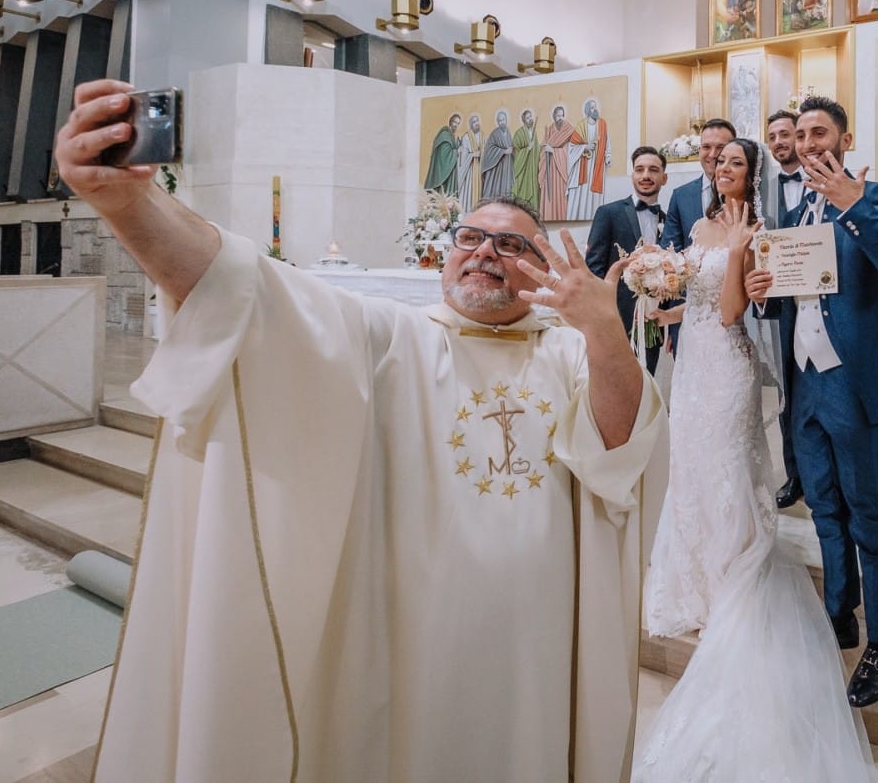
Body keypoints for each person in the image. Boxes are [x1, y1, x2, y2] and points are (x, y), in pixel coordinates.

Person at [57, 80, 663, 783]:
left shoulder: (568, 352)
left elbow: (620, 452)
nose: (483, 252)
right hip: (410, 638)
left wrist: (606, 333)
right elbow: (247, 292)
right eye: (470, 237)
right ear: (444, 256)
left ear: (543, 265)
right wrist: (128, 202)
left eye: (509, 243)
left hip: (535, 646)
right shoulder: (389, 336)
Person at [633, 138, 878, 780]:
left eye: (737, 164)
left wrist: (740, 253)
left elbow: (736, 309)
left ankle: (729, 569)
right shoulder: (699, 221)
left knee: (726, 465)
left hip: (730, 363)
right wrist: (661, 294)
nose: (724, 170)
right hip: (691, 364)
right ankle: (692, 568)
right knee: (689, 464)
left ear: (753, 173)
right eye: (719, 164)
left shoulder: (760, 229)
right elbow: (699, 297)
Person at [746, 96, 878, 708]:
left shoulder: (874, 198)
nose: (811, 141)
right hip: (806, 382)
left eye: (822, 132)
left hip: (854, 381)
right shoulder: (792, 214)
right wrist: (761, 291)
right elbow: (789, 299)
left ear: (843, 141)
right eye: (802, 133)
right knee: (822, 505)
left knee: (868, 514)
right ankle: (839, 611)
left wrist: (857, 210)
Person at [585, 145, 667, 374]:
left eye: (653, 170)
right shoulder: (609, 213)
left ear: (664, 178)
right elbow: (593, 268)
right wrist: (600, 317)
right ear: (632, 175)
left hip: (653, 321)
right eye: (639, 169)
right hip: (615, 318)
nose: (646, 176)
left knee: (647, 378)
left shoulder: (667, 219)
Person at [762, 110, 806, 509]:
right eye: (772, 136)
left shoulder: (823, 183)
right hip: (780, 305)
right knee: (787, 392)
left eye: (785, 134)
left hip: (821, 300)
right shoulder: (764, 191)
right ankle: (795, 475)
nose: (779, 142)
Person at [660, 118, 735, 353]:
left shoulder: (751, 196)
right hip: (689, 319)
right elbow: (670, 257)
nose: (712, 154)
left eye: (721, 148)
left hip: (738, 316)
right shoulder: (681, 196)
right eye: (706, 147)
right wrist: (673, 322)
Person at [566, 97, 609, 220]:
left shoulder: (602, 124)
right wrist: (585, 147)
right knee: (582, 192)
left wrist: (609, 155)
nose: (595, 109)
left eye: (595, 107)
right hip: (582, 166)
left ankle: (593, 217)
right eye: (592, 107)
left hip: (597, 163)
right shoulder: (581, 126)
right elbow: (572, 146)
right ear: (587, 110)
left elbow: (607, 141)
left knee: (592, 195)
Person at [540, 104, 581, 222]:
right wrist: (545, 149)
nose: (560, 118)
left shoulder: (569, 129)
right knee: (549, 195)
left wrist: (554, 151)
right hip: (550, 167)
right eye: (558, 116)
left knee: (561, 194)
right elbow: (543, 145)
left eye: (562, 115)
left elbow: (571, 149)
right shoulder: (550, 129)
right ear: (554, 117)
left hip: (562, 169)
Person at [479, 109, 514, 201]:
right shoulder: (495, 133)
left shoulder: (508, 132)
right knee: (496, 188)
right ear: (497, 122)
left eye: (503, 120)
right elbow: (489, 149)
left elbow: (510, 146)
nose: (502, 122)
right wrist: (503, 151)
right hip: (497, 167)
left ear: (506, 120)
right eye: (500, 120)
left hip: (506, 166)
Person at [424, 112, 461, 197]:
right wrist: (456, 151)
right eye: (455, 122)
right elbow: (444, 155)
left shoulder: (451, 135)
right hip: (442, 171)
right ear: (450, 122)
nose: (456, 125)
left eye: (458, 123)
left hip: (447, 171)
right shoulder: (445, 135)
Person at [511, 108, 540, 207]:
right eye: (528, 118)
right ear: (524, 120)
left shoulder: (534, 132)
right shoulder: (519, 133)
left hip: (532, 168)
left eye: (531, 117)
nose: (530, 119)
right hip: (524, 169)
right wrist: (527, 149)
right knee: (523, 191)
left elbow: (536, 149)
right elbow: (516, 150)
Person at [455, 111, 484, 212]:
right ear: (471, 125)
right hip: (470, 172)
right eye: (474, 122)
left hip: (479, 170)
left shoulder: (482, 136)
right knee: (469, 194)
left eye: (477, 121)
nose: (476, 123)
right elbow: (463, 156)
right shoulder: (466, 137)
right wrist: (472, 155)